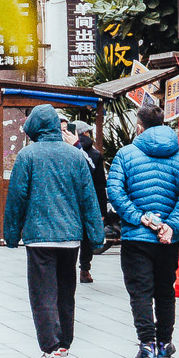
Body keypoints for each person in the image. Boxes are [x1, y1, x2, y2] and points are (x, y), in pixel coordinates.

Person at [3, 104, 105, 358]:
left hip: (39, 237)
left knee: (42, 293)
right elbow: (88, 198)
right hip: (70, 237)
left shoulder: (27, 156)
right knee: (65, 292)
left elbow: (17, 198)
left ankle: (49, 349)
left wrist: (12, 234)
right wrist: (96, 234)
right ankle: (63, 347)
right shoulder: (75, 156)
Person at [105, 101, 179, 358]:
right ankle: (164, 343)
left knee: (141, 292)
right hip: (168, 239)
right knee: (165, 291)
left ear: (139, 126)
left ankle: (146, 346)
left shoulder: (125, 154)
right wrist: (172, 224)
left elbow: (115, 191)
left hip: (136, 238)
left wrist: (138, 217)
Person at [66, 120, 109, 283]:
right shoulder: (96, 154)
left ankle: (68, 268)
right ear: (86, 134)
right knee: (86, 237)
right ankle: (85, 269)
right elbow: (99, 184)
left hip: (70, 202)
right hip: (89, 201)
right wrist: (102, 211)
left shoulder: (66, 152)